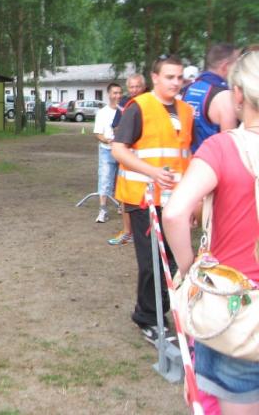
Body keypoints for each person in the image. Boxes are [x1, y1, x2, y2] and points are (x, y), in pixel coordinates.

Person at [164, 50, 259, 414]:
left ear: (238, 94)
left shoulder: (221, 148)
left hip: (237, 312)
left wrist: (189, 267)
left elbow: (175, 213)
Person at [111, 55, 193, 344]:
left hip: (176, 199)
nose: (175, 82)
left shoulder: (186, 111)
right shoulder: (139, 107)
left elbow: (187, 155)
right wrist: (153, 172)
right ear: (155, 78)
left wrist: (193, 200)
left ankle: (166, 311)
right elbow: (118, 149)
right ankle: (148, 317)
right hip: (143, 198)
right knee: (152, 263)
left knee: (173, 260)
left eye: (179, 77)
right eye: (169, 77)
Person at [107, 73, 147, 246]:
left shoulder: (150, 103)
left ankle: (145, 234)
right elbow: (116, 126)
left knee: (145, 198)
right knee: (124, 197)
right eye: (131, 87)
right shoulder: (124, 104)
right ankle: (127, 232)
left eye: (137, 86)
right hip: (126, 157)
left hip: (146, 159)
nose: (134, 90)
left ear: (143, 87)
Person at [183, 43, 240, 153]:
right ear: (225, 66)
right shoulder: (225, 96)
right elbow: (229, 147)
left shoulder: (189, 88)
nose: (238, 70)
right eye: (236, 65)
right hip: (212, 160)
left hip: (190, 159)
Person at [93, 82, 123, 223]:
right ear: (109, 94)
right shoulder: (102, 113)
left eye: (120, 93)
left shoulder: (125, 111)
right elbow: (97, 134)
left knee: (122, 180)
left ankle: (122, 206)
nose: (118, 96)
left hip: (123, 151)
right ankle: (103, 210)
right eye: (115, 93)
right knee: (105, 178)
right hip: (107, 151)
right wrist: (107, 140)